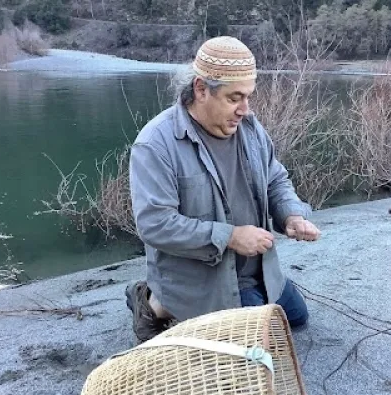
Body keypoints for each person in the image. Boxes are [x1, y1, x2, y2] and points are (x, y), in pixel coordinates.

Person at [126, 36, 321, 344]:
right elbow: (155, 224)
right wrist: (230, 237)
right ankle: (155, 304)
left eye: (248, 97)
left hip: (260, 268)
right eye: (234, 98)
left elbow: (276, 180)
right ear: (201, 89)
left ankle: (180, 301)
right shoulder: (155, 144)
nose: (245, 109)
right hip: (208, 278)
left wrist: (291, 215)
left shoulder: (250, 129)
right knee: (261, 345)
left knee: (297, 319)